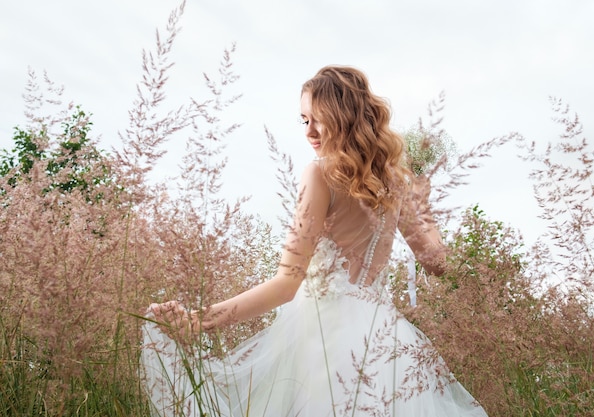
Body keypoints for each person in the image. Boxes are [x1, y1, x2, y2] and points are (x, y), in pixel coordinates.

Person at [141, 65, 488, 417]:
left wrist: (202, 319)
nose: (310, 131)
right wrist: (422, 204)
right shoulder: (401, 181)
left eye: (319, 119)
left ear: (345, 116)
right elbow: (438, 262)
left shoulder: (319, 174)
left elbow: (286, 284)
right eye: (304, 120)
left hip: (325, 340)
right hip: (386, 343)